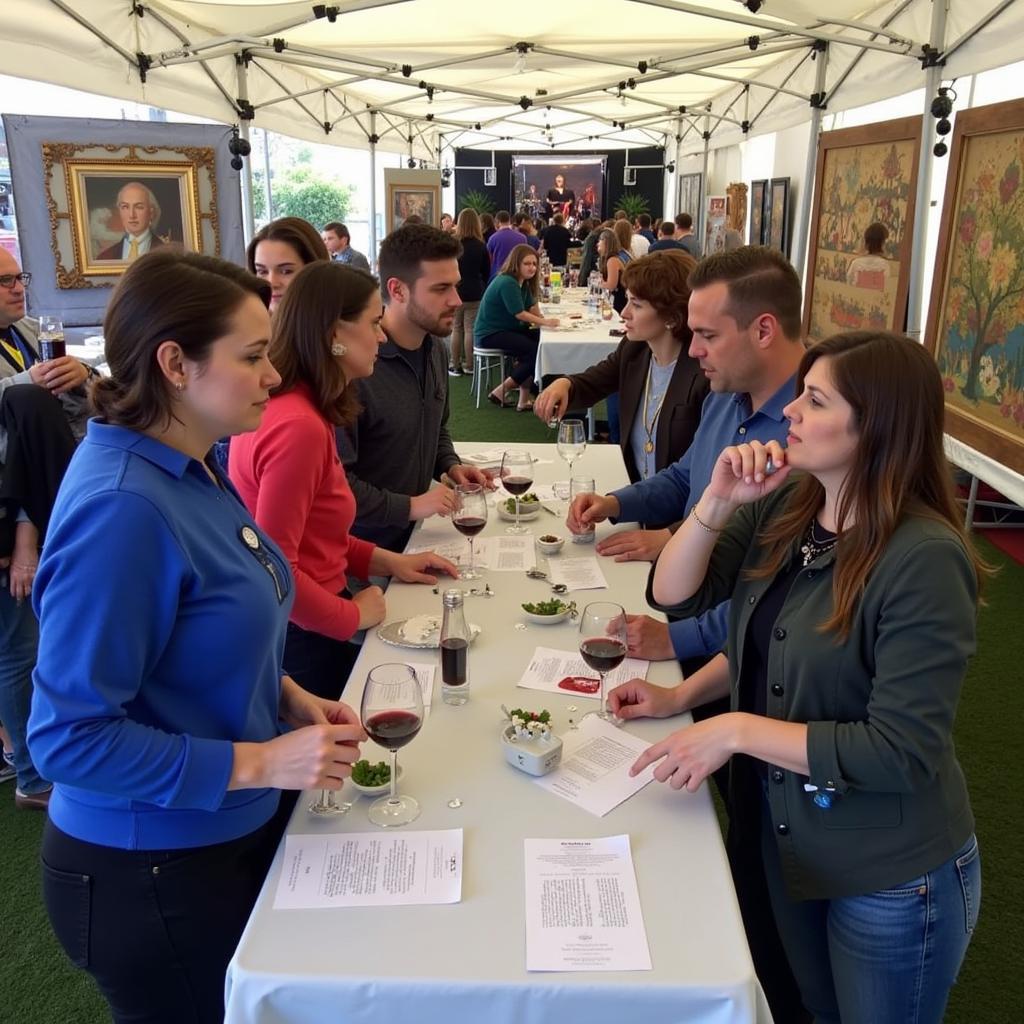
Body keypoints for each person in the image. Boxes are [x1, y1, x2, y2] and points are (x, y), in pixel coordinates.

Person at [28, 249, 367, 1023]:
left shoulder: (188, 464)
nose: (275, 377)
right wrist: (261, 761)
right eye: (253, 358)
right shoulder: (124, 508)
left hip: (209, 841)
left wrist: (288, 698)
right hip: (147, 870)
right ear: (175, 364)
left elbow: (206, 627)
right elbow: (69, 737)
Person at [629, 330, 983, 1024]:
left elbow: (901, 750)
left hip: (887, 872)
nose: (789, 411)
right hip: (786, 837)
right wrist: (718, 503)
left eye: (815, 401)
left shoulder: (923, 558)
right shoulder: (790, 506)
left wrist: (733, 729)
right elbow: (675, 596)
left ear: (876, 424)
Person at [567, 246, 804, 666]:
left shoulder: (813, 433)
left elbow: (791, 595)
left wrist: (681, 639)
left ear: (764, 331)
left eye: (708, 335)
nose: (693, 351)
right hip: (682, 601)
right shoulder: (728, 394)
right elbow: (683, 477)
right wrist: (617, 503)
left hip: (742, 659)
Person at [230, 262, 457, 700]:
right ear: (335, 334)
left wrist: (390, 562)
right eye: (374, 323)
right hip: (303, 637)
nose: (382, 336)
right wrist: (349, 616)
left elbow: (320, 534)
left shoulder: (306, 408)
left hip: (313, 620)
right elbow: (276, 566)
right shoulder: (299, 426)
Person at [0, 250, 94, 810]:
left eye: (19, 277)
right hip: (15, 514)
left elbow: (94, 390)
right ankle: (33, 778)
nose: (18, 288)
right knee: (17, 647)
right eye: (6, 280)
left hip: (42, 503)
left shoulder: (34, 331)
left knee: (38, 641)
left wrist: (83, 374)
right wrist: (24, 388)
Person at [340, 223, 491, 552]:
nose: (456, 300)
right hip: (366, 555)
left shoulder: (435, 348)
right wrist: (411, 506)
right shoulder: (357, 368)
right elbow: (336, 484)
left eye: (456, 286)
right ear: (397, 290)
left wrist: (450, 465)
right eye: (440, 289)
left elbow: (436, 428)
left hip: (420, 537)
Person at [534, 251, 708, 484]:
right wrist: (565, 383)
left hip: (680, 511)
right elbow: (597, 379)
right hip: (636, 492)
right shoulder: (634, 350)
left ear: (672, 317)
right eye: (627, 300)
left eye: (636, 305)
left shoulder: (703, 373)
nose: (624, 312)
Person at [476, 244, 559, 412]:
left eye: (535, 264)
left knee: (539, 342)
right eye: (527, 264)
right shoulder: (508, 282)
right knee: (534, 350)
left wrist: (543, 320)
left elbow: (532, 308)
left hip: (506, 329)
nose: (532, 268)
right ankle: (502, 390)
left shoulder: (523, 283)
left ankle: (523, 399)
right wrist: (546, 322)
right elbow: (519, 314)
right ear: (516, 264)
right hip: (490, 333)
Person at [247, 217, 329, 313]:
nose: (272, 283)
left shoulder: (339, 325)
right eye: (262, 271)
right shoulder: (247, 324)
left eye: (286, 271)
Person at [449, 209, 490, 377]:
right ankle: (470, 365)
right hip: (475, 291)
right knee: (470, 329)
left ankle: (454, 364)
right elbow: (487, 270)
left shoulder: (452, 243)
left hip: (455, 290)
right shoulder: (481, 245)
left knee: (456, 329)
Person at [95, 182, 166, 261]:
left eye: (139, 207)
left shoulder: (167, 255)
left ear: (151, 213)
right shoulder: (105, 257)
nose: (132, 215)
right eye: (125, 207)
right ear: (120, 211)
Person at [846, 221, 890, 288]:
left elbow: (848, 284)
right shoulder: (885, 265)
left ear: (866, 242)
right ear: (882, 243)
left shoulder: (855, 263)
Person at [598, 226, 631, 314]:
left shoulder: (612, 260)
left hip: (618, 302)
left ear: (605, 242)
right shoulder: (611, 258)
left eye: (599, 241)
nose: (598, 244)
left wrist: (597, 282)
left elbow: (611, 286)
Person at [485, 210, 526, 281]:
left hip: (497, 276)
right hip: (517, 275)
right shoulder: (522, 238)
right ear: (509, 221)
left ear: (497, 222)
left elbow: (488, 259)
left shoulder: (492, 238)